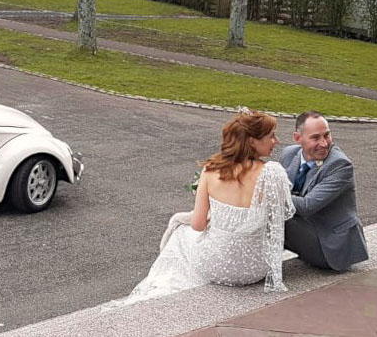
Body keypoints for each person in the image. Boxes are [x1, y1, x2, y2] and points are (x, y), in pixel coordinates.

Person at [109, 108, 295, 307]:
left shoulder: (211, 170)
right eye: (271, 136)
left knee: (180, 232)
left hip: (215, 267)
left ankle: (161, 281)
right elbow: (277, 223)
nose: (276, 141)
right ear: (251, 141)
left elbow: (198, 224)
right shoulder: (273, 174)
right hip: (256, 268)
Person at [279, 111, 368, 271]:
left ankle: (258, 268)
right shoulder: (289, 154)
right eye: (315, 138)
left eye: (327, 135)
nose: (324, 143)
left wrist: (270, 192)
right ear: (298, 138)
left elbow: (307, 206)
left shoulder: (340, 165)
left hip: (332, 245)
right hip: (307, 231)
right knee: (267, 207)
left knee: (278, 214)